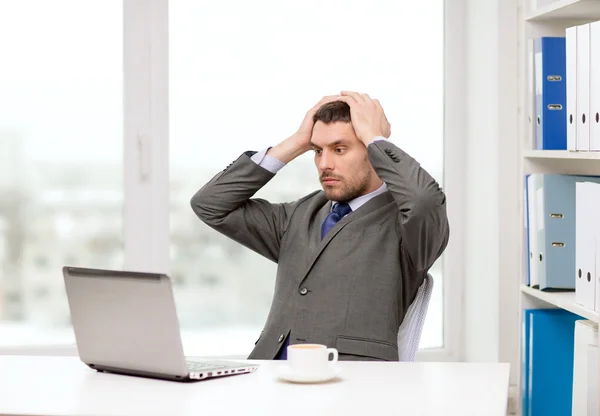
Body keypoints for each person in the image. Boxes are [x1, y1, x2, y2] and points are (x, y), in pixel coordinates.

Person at [190, 91, 449, 361]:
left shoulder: (408, 226)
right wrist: (294, 143)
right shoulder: (299, 214)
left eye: (339, 149)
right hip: (268, 379)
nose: (324, 164)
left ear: (373, 154)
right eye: (317, 151)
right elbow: (210, 204)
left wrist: (376, 139)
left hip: (353, 384)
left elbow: (424, 200)